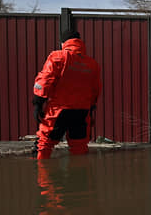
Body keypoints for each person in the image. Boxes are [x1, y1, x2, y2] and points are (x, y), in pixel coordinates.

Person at [32, 29, 101, 159]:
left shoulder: (58, 56)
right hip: (82, 111)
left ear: (63, 42)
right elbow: (95, 89)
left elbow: (45, 79)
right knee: (79, 146)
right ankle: (80, 176)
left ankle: (42, 176)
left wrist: (38, 102)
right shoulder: (92, 64)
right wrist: (91, 108)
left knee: (44, 144)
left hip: (59, 110)